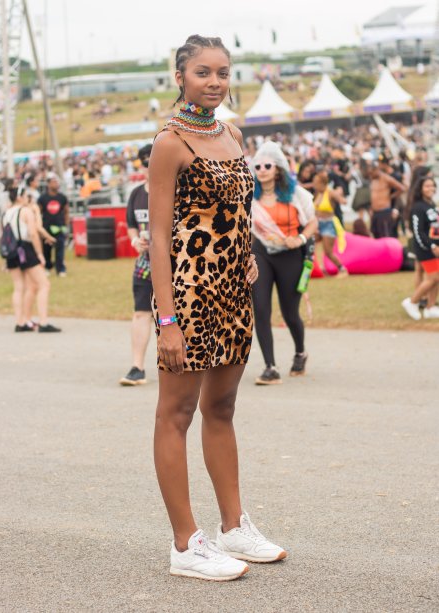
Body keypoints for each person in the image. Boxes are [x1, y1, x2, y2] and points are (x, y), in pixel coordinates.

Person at [148, 34, 286, 582]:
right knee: (175, 413)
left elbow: (233, 209)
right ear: (180, 75)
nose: (215, 82)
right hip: (187, 294)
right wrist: (166, 319)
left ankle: (234, 528)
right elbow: (158, 235)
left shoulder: (230, 132)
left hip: (233, 292)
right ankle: (186, 544)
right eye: (203, 72)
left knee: (222, 408)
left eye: (223, 72)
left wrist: (246, 255)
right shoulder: (170, 141)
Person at [251, 141, 317, 384]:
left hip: (290, 255)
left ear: (278, 168)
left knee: (290, 313)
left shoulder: (297, 195)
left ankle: (300, 352)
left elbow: (312, 223)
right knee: (260, 309)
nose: (262, 170)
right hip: (261, 254)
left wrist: (299, 238)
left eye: (267, 165)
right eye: (257, 166)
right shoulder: (250, 196)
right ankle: (270, 367)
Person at [2, 187, 61, 333]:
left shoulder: (6, 213)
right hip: (25, 248)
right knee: (43, 284)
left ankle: (20, 321)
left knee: (18, 286)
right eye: (25, 195)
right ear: (19, 197)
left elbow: (3, 235)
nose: (28, 198)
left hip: (11, 251)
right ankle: (43, 321)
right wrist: (40, 254)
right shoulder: (25, 211)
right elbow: (33, 233)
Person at [120, 144, 153, 386]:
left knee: (177, 315)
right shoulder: (136, 193)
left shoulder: (176, 191)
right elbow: (131, 223)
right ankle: (137, 366)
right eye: (145, 163)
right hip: (145, 262)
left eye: (152, 162)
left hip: (174, 263)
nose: (148, 168)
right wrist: (134, 240)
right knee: (141, 312)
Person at [402, 176, 439, 320]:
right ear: (420, 189)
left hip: (435, 247)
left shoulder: (431, 205)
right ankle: (412, 302)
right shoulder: (417, 207)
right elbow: (419, 232)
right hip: (425, 248)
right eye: (427, 186)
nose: (431, 189)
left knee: (437, 278)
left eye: (432, 186)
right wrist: (432, 245)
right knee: (433, 278)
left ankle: (430, 307)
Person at [313, 171, 348, 276]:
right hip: (318, 224)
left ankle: (342, 269)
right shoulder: (318, 193)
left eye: (316, 183)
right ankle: (321, 268)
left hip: (328, 224)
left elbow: (343, 201)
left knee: (328, 252)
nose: (314, 185)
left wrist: (341, 198)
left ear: (322, 183)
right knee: (311, 245)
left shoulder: (330, 193)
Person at [38, 175, 69, 276]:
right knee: (46, 249)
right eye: (53, 182)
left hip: (59, 227)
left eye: (57, 182)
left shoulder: (62, 198)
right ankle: (47, 267)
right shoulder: (43, 198)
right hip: (46, 228)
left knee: (60, 249)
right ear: (48, 184)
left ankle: (60, 269)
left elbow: (66, 212)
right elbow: (38, 212)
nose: (56, 184)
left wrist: (66, 225)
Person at [369, 162, 406, 239]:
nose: (371, 174)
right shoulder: (373, 179)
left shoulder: (386, 178)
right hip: (376, 213)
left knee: (386, 236)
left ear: (377, 170)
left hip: (384, 212)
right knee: (376, 236)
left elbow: (401, 188)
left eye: (373, 172)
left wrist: (391, 196)